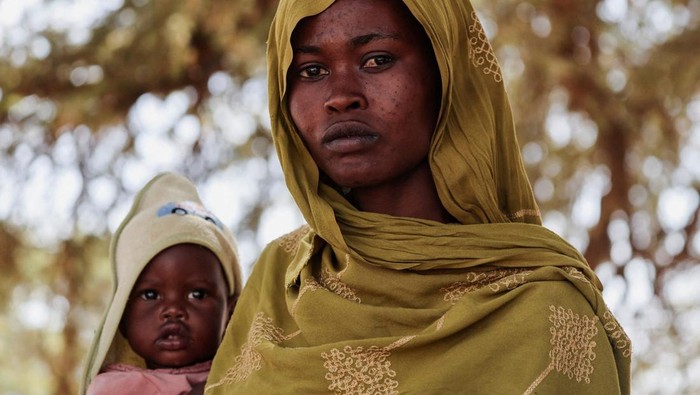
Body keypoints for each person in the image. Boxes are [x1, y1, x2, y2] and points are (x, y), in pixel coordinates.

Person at [206, 0, 631, 393]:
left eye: (377, 60)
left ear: (448, 75)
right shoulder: (278, 282)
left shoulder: (544, 312)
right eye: (311, 71)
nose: (340, 96)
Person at [80, 173, 242, 395]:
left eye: (197, 294)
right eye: (150, 295)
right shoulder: (112, 389)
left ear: (231, 312)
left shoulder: (252, 375)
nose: (173, 311)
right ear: (122, 317)